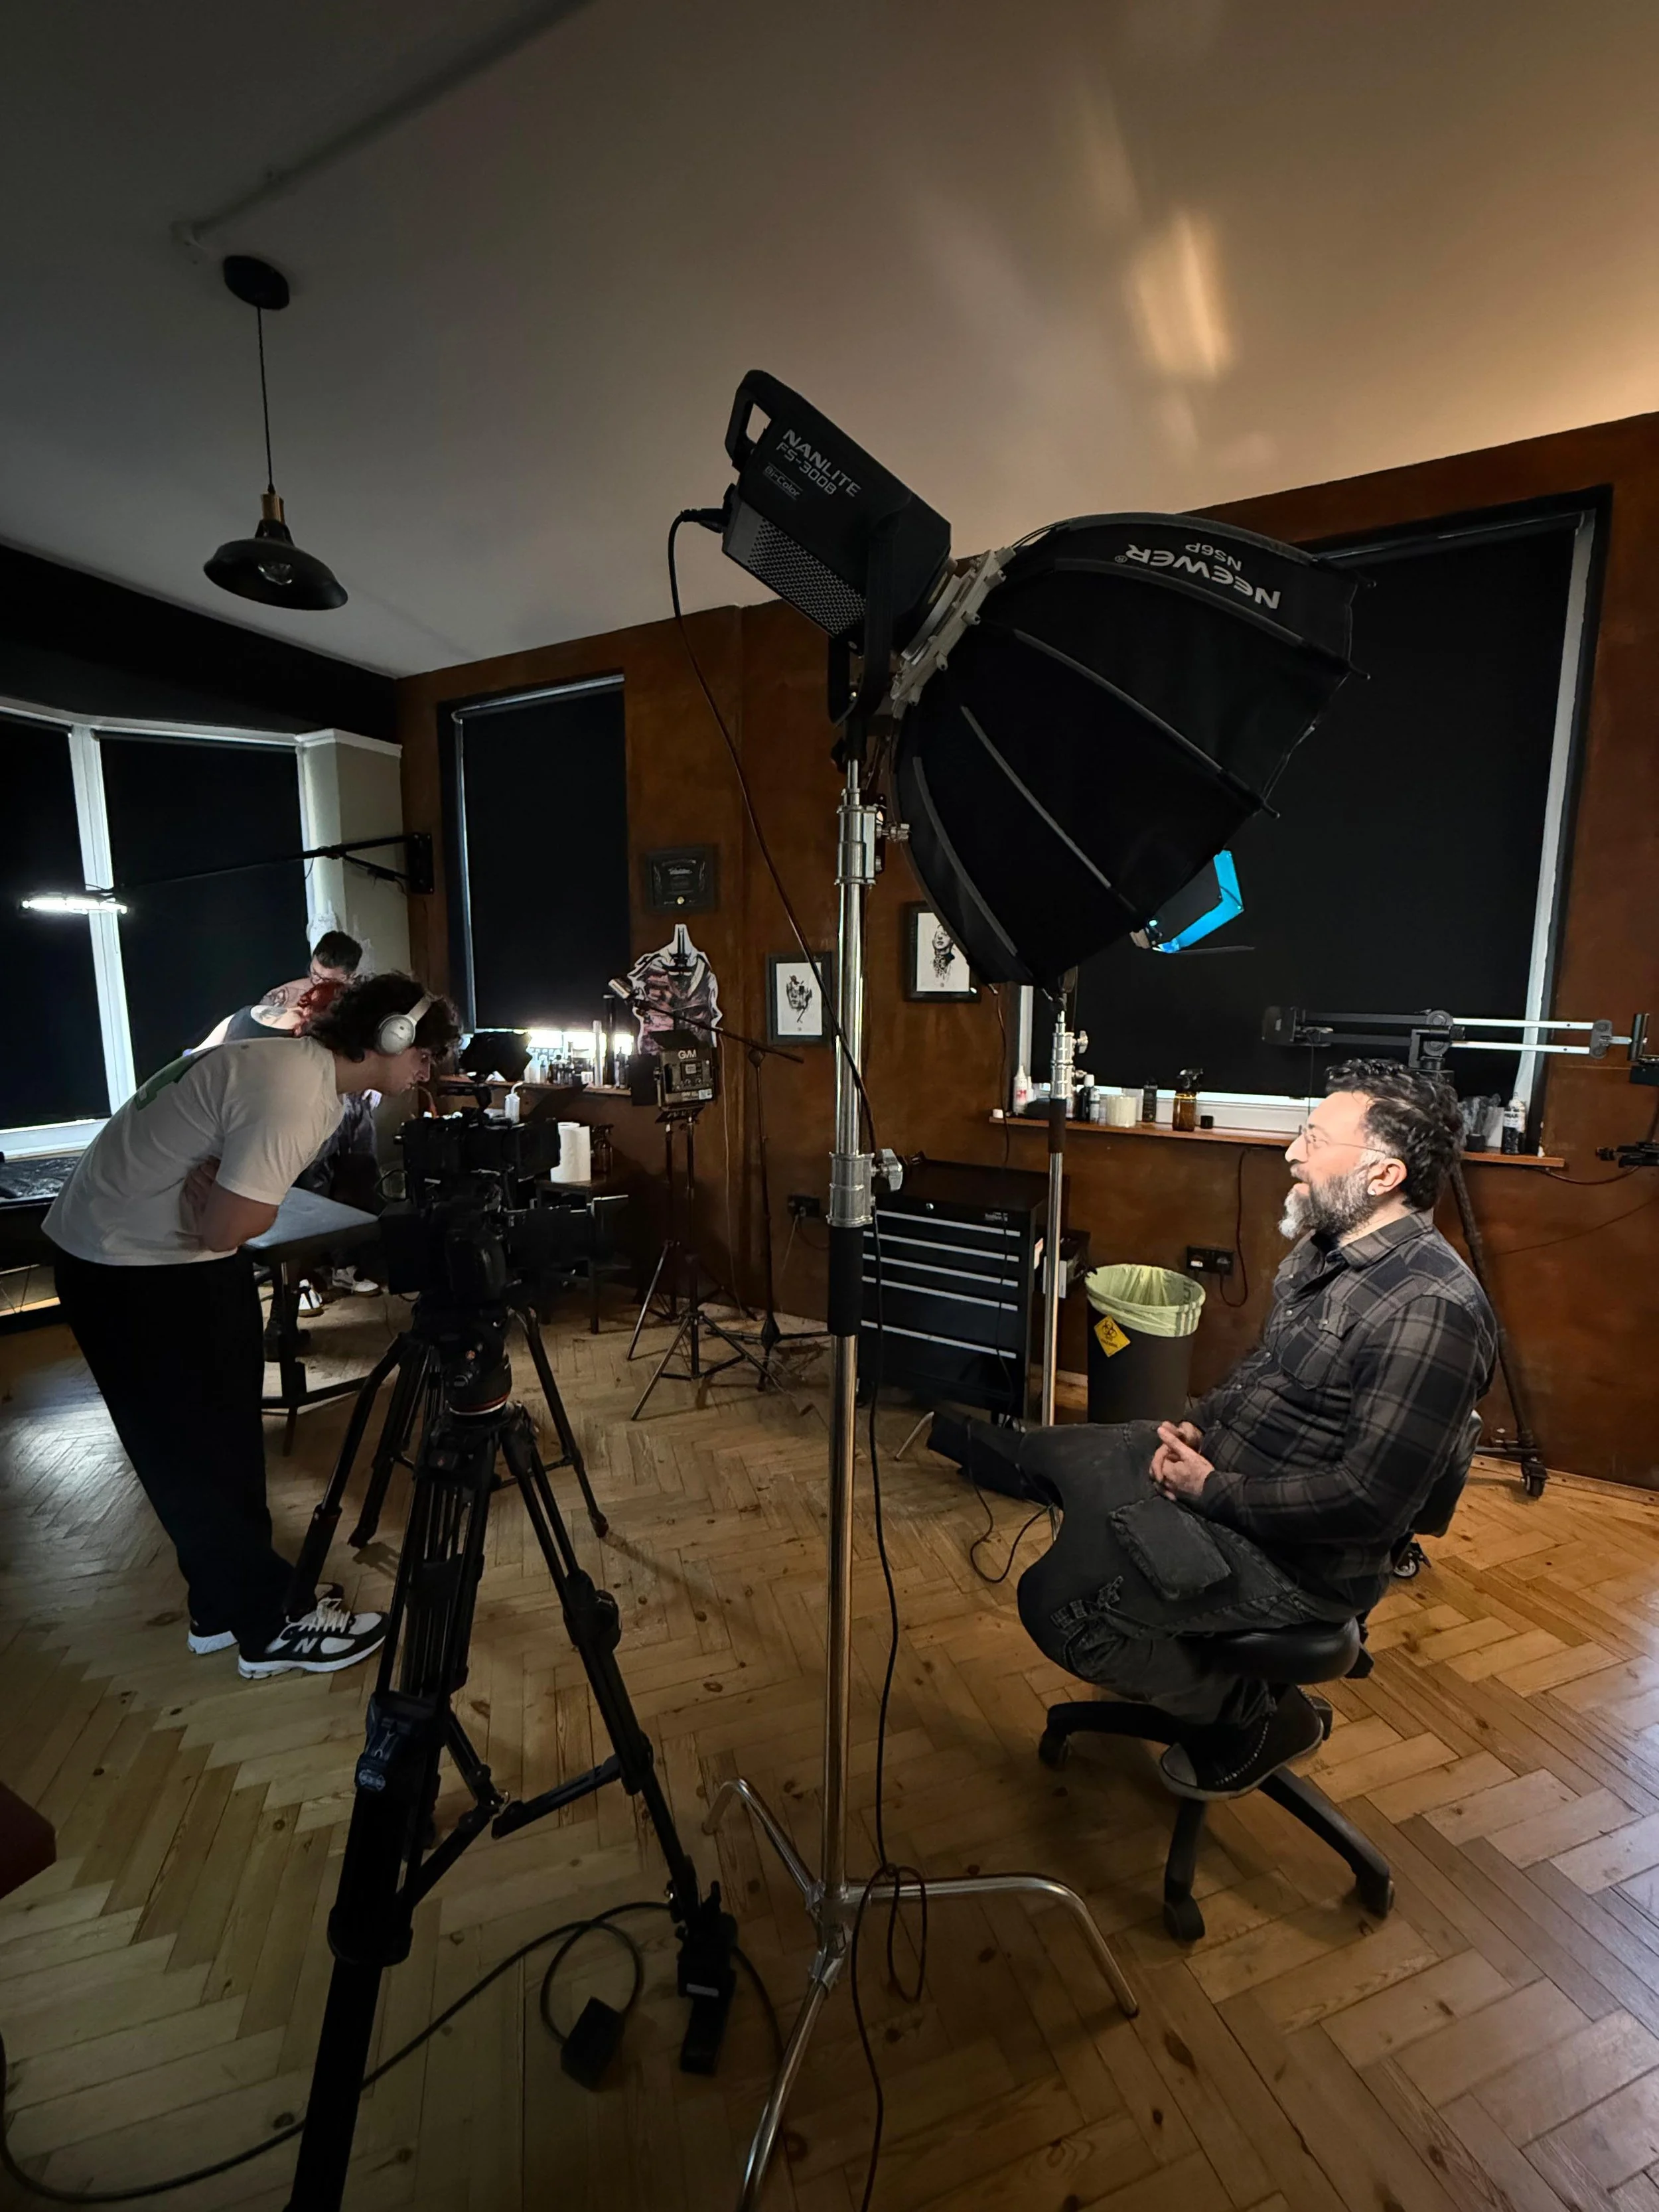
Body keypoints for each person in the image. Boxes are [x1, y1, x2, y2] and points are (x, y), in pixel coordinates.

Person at [1011, 1059, 1497, 1802]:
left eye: (1313, 1139)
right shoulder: (1326, 1249)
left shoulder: (1430, 1312)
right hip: (1225, 1489)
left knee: (1058, 1608)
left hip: (1294, 1566)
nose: (1292, 1153)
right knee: (1043, 1457)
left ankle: (1250, 1716)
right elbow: (1266, 1370)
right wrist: (1197, 1426)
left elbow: (1370, 1504)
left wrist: (1210, 1490)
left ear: (1383, 1176)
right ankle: (1178, 1654)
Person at [44, 973, 460, 1680]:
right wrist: (236, 1211)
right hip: (135, 1272)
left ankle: (225, 1604)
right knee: (198, 1455)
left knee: (219, 1442)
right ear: (390, 1037)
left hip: (140, 1258)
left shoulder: (277, 1061)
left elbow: (223, 1221)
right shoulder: (298, 1096)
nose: (426, 1072)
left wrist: (230, 1207)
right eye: (424, 1056)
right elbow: (227, 1227)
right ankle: (269, 1630)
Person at [194, 931, 362, 1052]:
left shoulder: (358, 1004)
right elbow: (247, 1035)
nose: (317, 981)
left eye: (327, 980)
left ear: (349, 977)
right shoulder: (285, 996)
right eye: (314, 972)